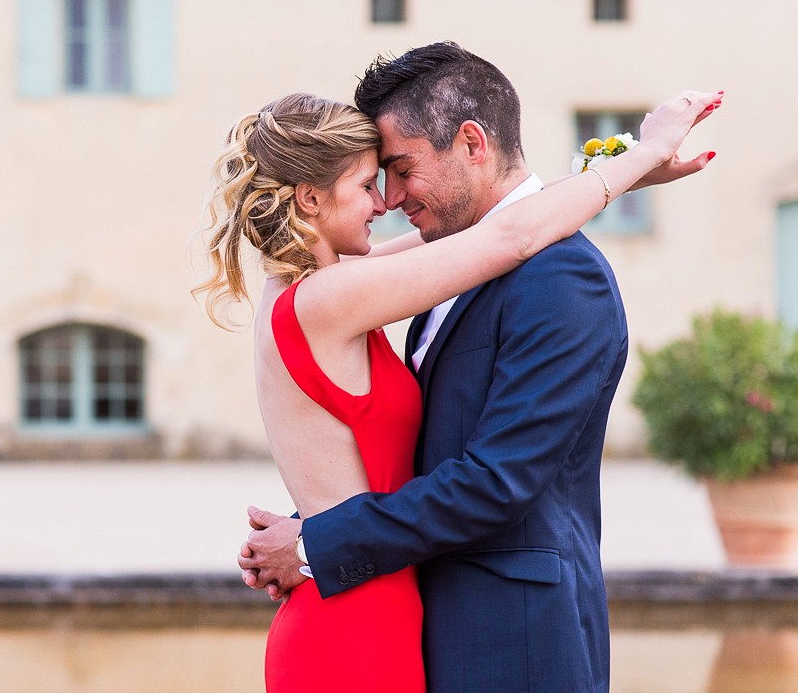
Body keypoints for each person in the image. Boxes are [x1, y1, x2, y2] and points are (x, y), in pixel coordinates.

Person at [198, 44, 720, 693]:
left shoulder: (552, 277)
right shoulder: (333, 294)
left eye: (396, 170)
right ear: (310, 198)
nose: (385, 199)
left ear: (472, 142)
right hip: (361, 618)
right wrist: (634, 158)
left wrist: (623, 170)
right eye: (369, 182)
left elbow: (509, 229)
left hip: (484, 632)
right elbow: (506, 234)